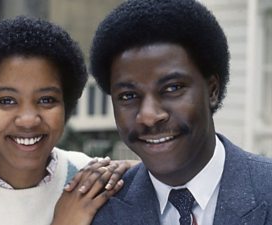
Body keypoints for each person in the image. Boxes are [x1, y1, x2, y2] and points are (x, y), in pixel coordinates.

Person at [0, 16, 129, 225]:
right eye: (7, 100)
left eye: (46, 99)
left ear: (66, 105)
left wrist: (133, 167)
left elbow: (150, 179)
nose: (28, 120)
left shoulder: (83, 176)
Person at [89, 0, 272, 224]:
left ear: (212, 90)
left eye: (172, 88)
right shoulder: (97, 211)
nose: (149, 116)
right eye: (128, 96)